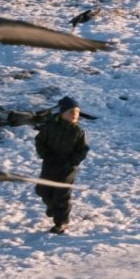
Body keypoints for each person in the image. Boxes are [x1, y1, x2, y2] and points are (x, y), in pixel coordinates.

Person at [35, 97, 88, 234]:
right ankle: (53, 207)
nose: (74, 114)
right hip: (50, 164)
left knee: (61, 195)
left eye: (77, 112)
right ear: (62, 113)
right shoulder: (50, 127)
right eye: (71, 112)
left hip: (67, 168)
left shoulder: (78, 131)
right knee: (42, 189)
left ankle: (61, 223)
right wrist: (46, 155)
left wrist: (72, 162)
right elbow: (39, 141)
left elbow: (83, 149)